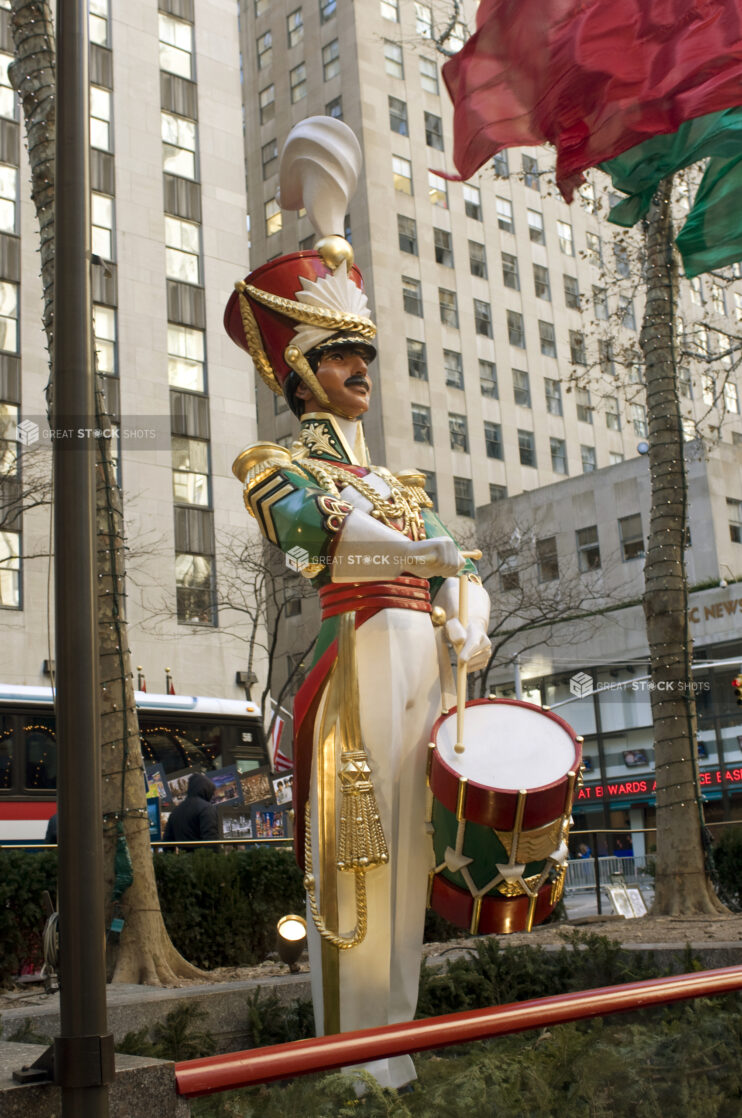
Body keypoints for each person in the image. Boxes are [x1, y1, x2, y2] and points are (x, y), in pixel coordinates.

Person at [225, 116, 491, 1091]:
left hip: (425, 665)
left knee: (413, 858)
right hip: (362, 664)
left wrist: (468, 605)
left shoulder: (402, 477)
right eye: (343, 355)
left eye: (363, 355)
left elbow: (457, 561)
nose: (361, 373)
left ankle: (399, 1046)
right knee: (356, 865)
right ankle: (351, 1062)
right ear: (301, 367)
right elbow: (305, 539)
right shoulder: (275, 459)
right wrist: (414, 550)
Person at [162, 772, 219, 849]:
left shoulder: (176, 811)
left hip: (183, 859)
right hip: (202, 858)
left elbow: (167, 842)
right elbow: (211, 839)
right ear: (207, 790)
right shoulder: (206, 808)